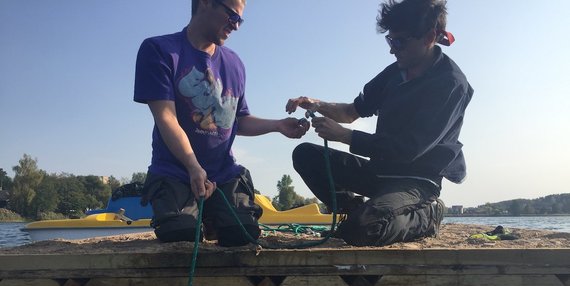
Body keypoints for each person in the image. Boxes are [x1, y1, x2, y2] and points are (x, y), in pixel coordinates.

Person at [286, 0, 473, 247]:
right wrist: (316, 104)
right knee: (305, 155)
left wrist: (345, 136)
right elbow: (352, 111)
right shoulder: (394, 73)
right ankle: (353, 210)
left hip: (416, 182)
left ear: (429, 37)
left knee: (363, 230)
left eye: (399, 42)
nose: (392, 50)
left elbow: (408, 149)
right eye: (389, 40)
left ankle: (427, 215)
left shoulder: (450, 83)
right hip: (379, 173)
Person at [134, 0, 309, 246]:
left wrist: (277, 125)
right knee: (180, 236)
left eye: (240, 20)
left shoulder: (235, 63)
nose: (236, 27)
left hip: (223, 173)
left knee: (242, 234)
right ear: (206, 3)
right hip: (176, 171)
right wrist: (193, 166)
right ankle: (191, 217)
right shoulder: (159, 49)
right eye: (232, 17)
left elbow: (237, 120)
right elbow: (166, 117)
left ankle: (214, 217)